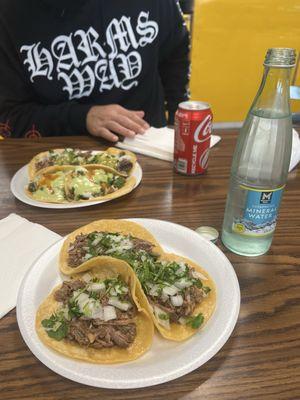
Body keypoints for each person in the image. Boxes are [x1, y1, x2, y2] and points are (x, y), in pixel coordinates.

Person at [0, 0, 190, 141]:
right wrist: (82, 117)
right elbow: (9, 120)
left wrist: (178, 118)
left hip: (147, 145)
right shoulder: (10, 15)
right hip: (57, 164)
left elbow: (175, 50)